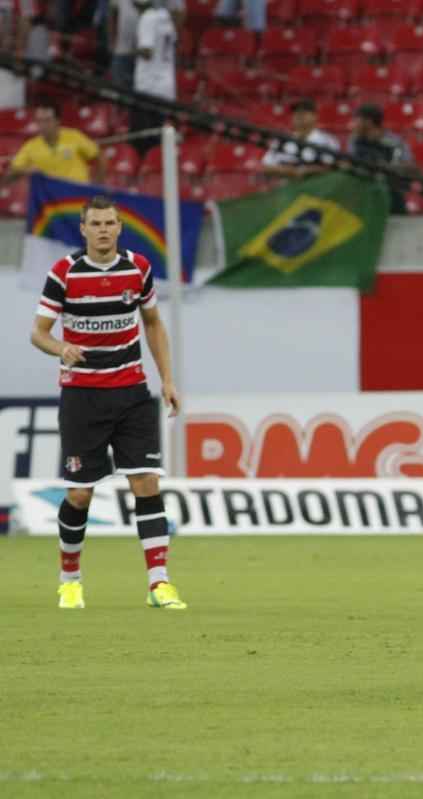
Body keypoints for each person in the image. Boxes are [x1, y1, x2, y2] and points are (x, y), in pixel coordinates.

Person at [29, 195, 185, 610]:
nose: (102, 229)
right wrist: (60, 348)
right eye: (95, 223)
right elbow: (39, 332)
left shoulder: (139, 268)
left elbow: (152, 323)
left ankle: (159, 583)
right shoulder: (64, 273)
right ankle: (70, 581)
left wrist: (167, 379)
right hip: (82, 396)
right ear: (83, 229)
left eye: (109, 223)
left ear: (119, 227)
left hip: (132, 393)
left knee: (147, 483)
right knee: (80, 494)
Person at [2, 101, 107, 185]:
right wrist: (26, 171)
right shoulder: (30, 146)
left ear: (57, 120)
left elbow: (99, 156)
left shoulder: (74, 136)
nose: (43, 126)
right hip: (51, 204)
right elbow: (12, 173)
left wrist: (97, 184)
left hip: (77, 198)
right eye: (39, 121)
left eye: (47, 120)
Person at [130, 0, 177, 155]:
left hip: (148, 87)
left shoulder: (148, 18)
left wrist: (131, 52)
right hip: (166, 87)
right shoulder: (166, 17)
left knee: (145, 142)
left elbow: (147, 52)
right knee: (160, 139)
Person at [261, 98, 342, 179]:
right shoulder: (281, 141)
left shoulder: (327, 141)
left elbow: (333, 167)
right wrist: (292, 172)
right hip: (287, 187)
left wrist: (304, 171)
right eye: (296, 112)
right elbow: (266, 167)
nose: (299, 114)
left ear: (315, 116)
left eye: (305, 111)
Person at [109, 0, 183, 89]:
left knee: (144, 98)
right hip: (123, 51)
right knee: (119, 94)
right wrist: (112, 40)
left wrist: (168, 35)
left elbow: (179, 11)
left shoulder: (150, 17)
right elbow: (113, 10)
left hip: (151, 59)